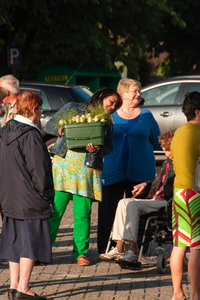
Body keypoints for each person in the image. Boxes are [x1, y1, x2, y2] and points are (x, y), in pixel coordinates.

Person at [45, 88, 122, 266]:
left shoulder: (107, 122)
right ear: (101, 96)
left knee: (83, 214)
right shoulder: (72, 108)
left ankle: (80, 253)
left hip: (87, 169)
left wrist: (98, 149)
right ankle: (42, 250)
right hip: (64, 166)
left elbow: (109, 146)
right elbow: (49, 125)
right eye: (111, 102)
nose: (113, 106)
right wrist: (60, 129)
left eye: (116, 105)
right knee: (56, 211)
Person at [0, 91, 54, 300]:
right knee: (30, 243)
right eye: (40, 109)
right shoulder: (30, 134)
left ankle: (13, 287)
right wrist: (47, 194)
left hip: (9, 196)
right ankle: (23, 288)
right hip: (30, 197)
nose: (40, 114)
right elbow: (39, 170)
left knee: (15, 241)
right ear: (34, 110)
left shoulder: (5, 130)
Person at [98, 78, 161, 254]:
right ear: (123, 94)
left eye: (139, 91)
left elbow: (156, 141)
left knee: (138, 212)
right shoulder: (109, 116)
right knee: (108, 212)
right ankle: (107, 248)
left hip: (140, 173)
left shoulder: (146, 115)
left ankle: (139, 248)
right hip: (112, 172)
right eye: (135, 91)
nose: (138, 94)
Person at [99, 130, 175, 263]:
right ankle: (119, 247)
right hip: (156, 200)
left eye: (166, 148)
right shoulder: (168, 161)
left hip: (167, 202)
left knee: (132, 205)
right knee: (123, 202)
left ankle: (133, 250)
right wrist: (145, 184)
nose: (163, 149)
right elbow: (159, 180)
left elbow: (179, 183)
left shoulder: (179, 162)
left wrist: (166, 189)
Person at [170, 91, 200, 300]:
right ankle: (197, 293)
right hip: (196, 193)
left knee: (180, 244)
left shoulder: (179, 132)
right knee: (197, 245)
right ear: (198, 112)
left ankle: (177, 293)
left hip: (179, 192)